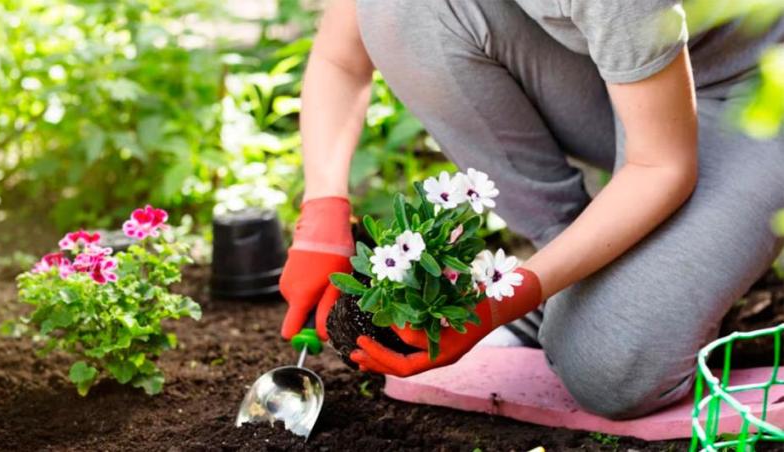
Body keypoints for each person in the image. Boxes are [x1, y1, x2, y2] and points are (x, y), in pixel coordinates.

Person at [278, 0, 784, 420]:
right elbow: (342, 57)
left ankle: (625, 291)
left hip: (756, 93)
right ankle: (576, 279)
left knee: (608, 369)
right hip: (630, 82)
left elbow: (661, 166)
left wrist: (498, 303)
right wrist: (320, 216)